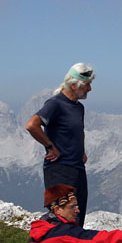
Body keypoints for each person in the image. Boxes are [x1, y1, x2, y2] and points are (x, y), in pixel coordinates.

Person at [25, 62, 95, 226]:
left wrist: (82, 151)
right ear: (73, 85)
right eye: (86, 85)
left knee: (77, 217)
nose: (90, 89)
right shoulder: (55, 103)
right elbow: (32, 125)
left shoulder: (79, 108)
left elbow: (79, 130)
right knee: (62, 219)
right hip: (59, 170)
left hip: (77, 168)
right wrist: (50, 147)